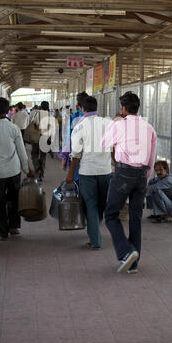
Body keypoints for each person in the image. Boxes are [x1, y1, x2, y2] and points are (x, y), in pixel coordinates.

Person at [101, 91, 157, 274]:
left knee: (110, 214)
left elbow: (103, 143)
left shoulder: (119, 125)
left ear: (123, 109)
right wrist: (146, 179)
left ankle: (127, 251)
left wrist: (114, 122)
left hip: (124, 172)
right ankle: (133, 264)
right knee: (135, 218)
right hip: (141, 175)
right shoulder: (148, 128)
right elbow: (151, 157)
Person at [0, 97, 35, 240]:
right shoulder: (13, 128)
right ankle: (14, 227)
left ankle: (2, 231)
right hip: (14, 171)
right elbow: (21, 151)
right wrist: (26, 169)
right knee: (14, 199)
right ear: (8, 111)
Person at [65, 96, 112, 250]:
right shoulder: (108, 123)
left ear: (82, 109)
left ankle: (95, 239)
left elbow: (76, 154)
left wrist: (70, 174)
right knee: (101, 204)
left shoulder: (80, 125)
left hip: (87, 172)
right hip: (106, 171)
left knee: (90, 205)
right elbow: (114, 148)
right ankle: (95, 229)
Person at [58, 91, 88, 182]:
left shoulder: (74, 117)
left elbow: (69, 139)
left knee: (76, 182)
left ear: (78, 105)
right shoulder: (98, 119)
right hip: (92, 159)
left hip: (76, 158)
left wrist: (64, 157)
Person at [30, 101, 56, 181]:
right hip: (45, 138)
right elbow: (53, 129)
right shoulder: (50, 115)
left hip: (36, 137)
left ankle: (37, 168)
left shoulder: (38, 113)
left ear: (41, 106)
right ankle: (41, 174)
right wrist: (51, 140)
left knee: (34, 154)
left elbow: (33, 123)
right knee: (43, 157)